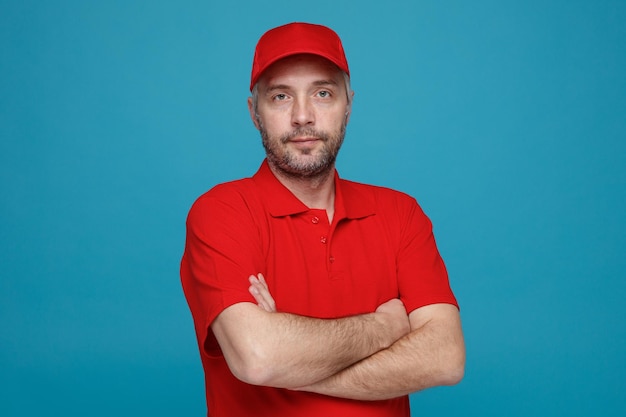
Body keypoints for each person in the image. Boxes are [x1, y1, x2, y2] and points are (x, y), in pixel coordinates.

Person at [180, 22, 465, 417]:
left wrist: (289, 361)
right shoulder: (222, 212)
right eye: (281, 96)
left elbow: (445, 358)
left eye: (323, 93)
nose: (302, 116)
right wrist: (384, 329)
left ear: (348, 105)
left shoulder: (401, 215)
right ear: (254, 112)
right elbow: (258, 357)